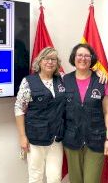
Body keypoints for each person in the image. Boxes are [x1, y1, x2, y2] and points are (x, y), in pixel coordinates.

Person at [63, 43, 108, 183]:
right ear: (74, 57)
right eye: (80, 55)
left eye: (87, 55)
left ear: (92, 59)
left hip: (96, 139)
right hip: (72, 139)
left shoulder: (101, 81)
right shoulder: (64, 80)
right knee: (76, 180)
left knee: (92, 180)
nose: (83, 58)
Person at [14, 47, 65, 183]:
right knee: (35, 177)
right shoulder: (28, 81)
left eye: (53, 59)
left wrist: (97, 72)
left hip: (56, 138)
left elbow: (81, 77)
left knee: (55, 178)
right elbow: (19, 109)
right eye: (46, 58)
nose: (50, 62)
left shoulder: (63, 79)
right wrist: (22, 136)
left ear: (57, 62)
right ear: (40, 61)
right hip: (35, 138)